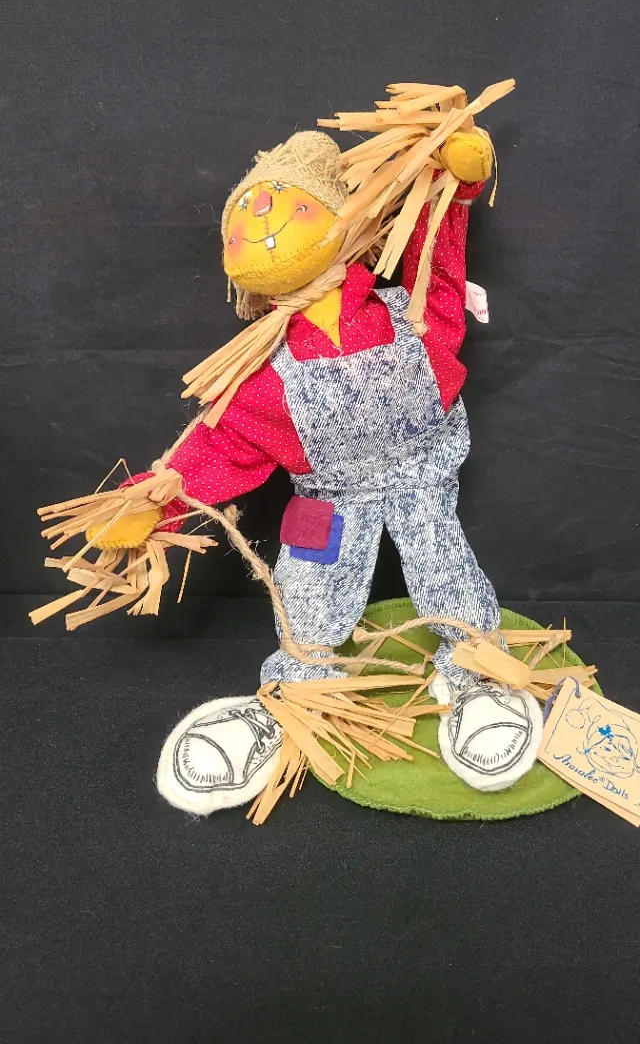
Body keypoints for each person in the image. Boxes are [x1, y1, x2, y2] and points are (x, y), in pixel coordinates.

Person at [94, 129, 542, 813]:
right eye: (243, 223)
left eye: (293, 207)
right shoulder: (261, 371)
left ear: (345, 222)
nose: (263, 230)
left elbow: (438, 263)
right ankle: (292, 698)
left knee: (446, 566)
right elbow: (221, 444)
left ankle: (477, 671)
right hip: (327, 499)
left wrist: (451, 189)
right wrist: (155, 502)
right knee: (307, 591)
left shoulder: (411, 314)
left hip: (421, 480)